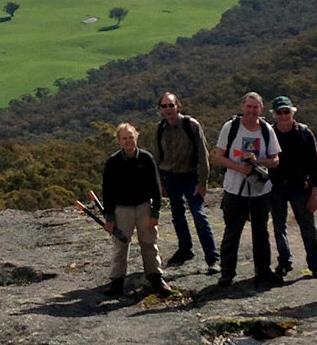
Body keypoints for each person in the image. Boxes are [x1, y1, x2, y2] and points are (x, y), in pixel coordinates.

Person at [213, 92, 282, 288]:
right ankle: (227, 273)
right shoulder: (231, 127)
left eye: (256, 107)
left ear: (261, 109)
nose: (252, 111)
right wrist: (239, 167)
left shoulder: (267, 130)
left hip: (260, 191)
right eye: (249, 106)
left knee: (261, 232)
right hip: (235, 189)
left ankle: (263, 271)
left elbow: (275, 160)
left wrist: (257, 162)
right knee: (232, 231)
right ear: (243, 107)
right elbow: (219, 157)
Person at [102, 123, 173, 297]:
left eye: (131, 137)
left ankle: (155, 277)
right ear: (119, 141)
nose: (128, 141)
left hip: (143, 207)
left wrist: (155, 213)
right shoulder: (113, 162)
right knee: (120, 245)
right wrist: (110, 218)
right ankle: (117, 281)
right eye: (124, 138)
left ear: (136, 138)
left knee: (149, 242)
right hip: (122, 210)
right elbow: (108, 191)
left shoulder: (146, 159)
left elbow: (156, 188)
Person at [152, 92, 219, 272]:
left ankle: (213, 258)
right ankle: (185, 250)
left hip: (191, 176)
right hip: (171, 177)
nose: (168, 109)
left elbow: (203, 155)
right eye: (164, 106)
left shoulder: (191, 125)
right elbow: (157, 158)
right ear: (160, 110)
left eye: (171, 105)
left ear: (178, 106)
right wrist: (161, 184)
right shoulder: (160, 129)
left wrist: (203, 182)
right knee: (178, 216)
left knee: (199, 216)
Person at [268, 96, 317, 278]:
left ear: (292, 112)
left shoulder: (304, 133)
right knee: (278, 225)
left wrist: (314, 192)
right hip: (276, 187)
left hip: (300, 186)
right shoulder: (268, 133)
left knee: (308, 226)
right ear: (274, 114)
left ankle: (316, 264)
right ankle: (284, 262)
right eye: (279, 112)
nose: (283, 115)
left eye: (286, 111)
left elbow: (315, 165)